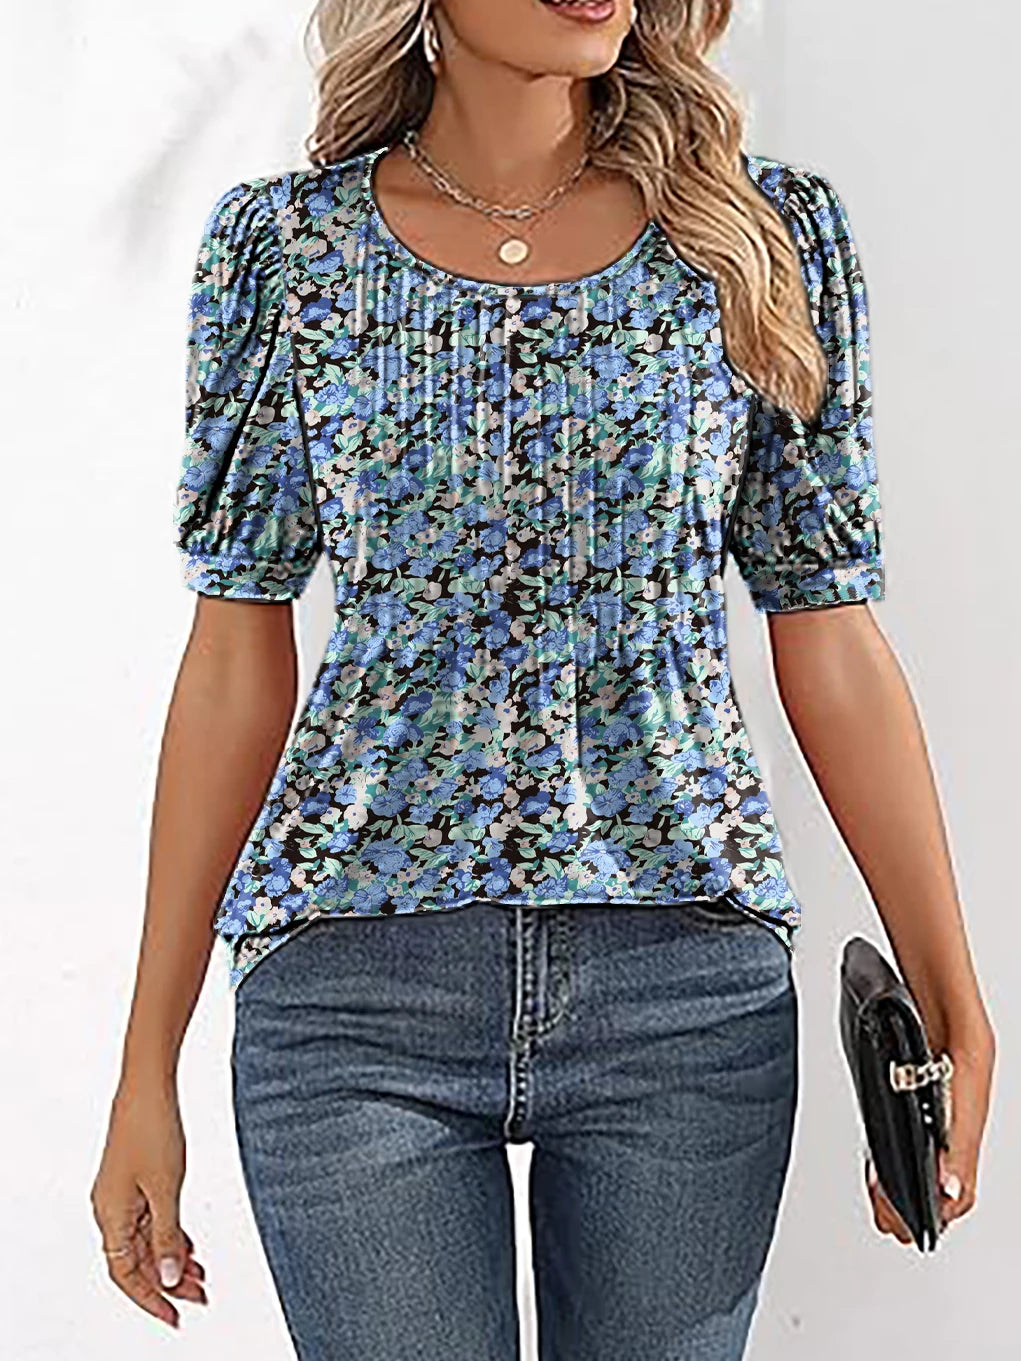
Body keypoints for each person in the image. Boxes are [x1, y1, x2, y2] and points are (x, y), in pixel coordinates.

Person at [90, 1, 996, 1357]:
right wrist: (142, 1066)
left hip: (684, 989)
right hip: (353, 999)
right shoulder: (286, 252)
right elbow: (233, 657)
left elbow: (830, 631)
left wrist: (952, 994)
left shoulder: (757, 238)